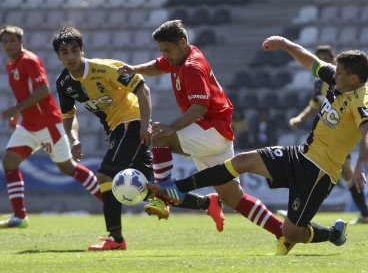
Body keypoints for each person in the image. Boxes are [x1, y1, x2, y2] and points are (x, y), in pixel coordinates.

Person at [148, 35, 368, 255]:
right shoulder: (337, 79)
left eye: (339, 72)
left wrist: (360, 164)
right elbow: (309, 60)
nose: (334, 73)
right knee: (242, 161)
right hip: (301, 154)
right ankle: (177, 188)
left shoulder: (362, 101)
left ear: (353, 79)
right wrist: (284, 43)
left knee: (291, 233)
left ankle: (332, 234)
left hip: (319, 173)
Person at [118, 20, 285, 240]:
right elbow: (159, 66)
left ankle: (163, 197)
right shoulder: (179, 57)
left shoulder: (192, 66)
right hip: (215, 132)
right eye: (162, 50)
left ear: (183, 42)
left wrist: (172, 127)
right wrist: (134, 69)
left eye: (167, 50)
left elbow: (200, 108)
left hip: (211, 128)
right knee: (234, 198)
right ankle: (282, 232)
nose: (165, 55)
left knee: (160, 136)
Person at [52, 26, 153, 250]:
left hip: (131, 123)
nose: (70, 56)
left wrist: (145, 126)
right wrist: (74, 139)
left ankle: (116, 239)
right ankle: (206, 202)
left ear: (82, 50)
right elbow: (68, 115)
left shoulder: (106, 68)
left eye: (74, 50)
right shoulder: (63, 83)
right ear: (58, 56)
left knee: (105, 175)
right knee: (152, 190)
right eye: (64, 52)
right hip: (116, 129)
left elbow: (143, 90)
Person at [0, 25, 103, 228]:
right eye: (5, 41)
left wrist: (16, 109)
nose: (8, 45)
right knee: (10, 162)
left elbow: (43, 90)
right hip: (29, 126)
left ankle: (109, 201)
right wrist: (18, 114)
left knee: (68, 168)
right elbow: (25, 93)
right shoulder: (11, 66)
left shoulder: (29, 60)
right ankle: (19, 217)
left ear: (21, 42)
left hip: (47, 124)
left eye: (12, 40)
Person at [289, 45, 368, 225]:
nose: (324, 61)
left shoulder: (346, 82)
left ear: (333, 59)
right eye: (320, 57)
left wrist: (361, 164)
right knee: (343, 174)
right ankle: (364, 213)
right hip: (325, 133)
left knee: (344, 173)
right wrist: (299, 118)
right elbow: (315, 104)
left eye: (326, 57)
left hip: (339, 136)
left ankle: (364, 213)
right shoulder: (322, 81)